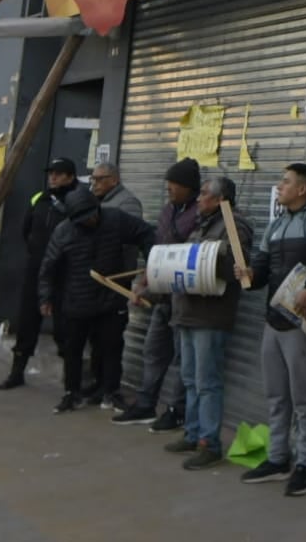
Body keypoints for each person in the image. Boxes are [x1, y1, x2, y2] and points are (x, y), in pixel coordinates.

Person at [240, 161, 306, 496]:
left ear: (303, 189)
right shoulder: (276, 225)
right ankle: (277, 458)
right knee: (276, 394)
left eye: (285, 182)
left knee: (304, 398)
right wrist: (246, 275)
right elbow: (259, 272)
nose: (279, 186)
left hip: (303, 322)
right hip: (273, 321)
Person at [162, 175, 253, 470]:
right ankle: (192, 432)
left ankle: (209, 443)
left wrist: (201, 259)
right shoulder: (201, 224)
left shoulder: (234, 226)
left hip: (210, 317)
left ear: (219, 199)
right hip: (188, 312)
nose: (198, 199)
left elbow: (232, 267)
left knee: (207, 382)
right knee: (190, 379)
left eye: (204, 194)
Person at [39, 189, 156, 414]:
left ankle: (111, 391)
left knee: (112, 347)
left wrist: (152, 267)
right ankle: (71, 393)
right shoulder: (63, 232)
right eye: (85, 218)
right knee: (72, 349)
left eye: (93, 214)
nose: (91, 220)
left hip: (111, 297)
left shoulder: (115, 219)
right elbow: (48, 268)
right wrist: (45, 297)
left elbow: (146, 234)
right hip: (77, 300)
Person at [111, 157, 201, 429]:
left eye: (175, 184)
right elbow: (157, 249)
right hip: (161, 296)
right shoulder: (167, 211)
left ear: (189, 187)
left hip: (184, 298)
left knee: (182, 359)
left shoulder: (198, 214)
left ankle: (176, 410)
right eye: (168, 184)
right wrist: (145, 279)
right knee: (153, 351)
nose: (169, 189)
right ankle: (146, 404)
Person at [0, 156, 81, 390]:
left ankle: (70, 381)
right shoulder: (40, 198)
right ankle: (17, 372)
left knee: (65, 327)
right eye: (51, 173)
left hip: (65, 272)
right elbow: (26, 231)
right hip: (36, 269)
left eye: (58, 173)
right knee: (27, 322)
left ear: (70, 177)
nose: (52, 177)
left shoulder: (78, 200)